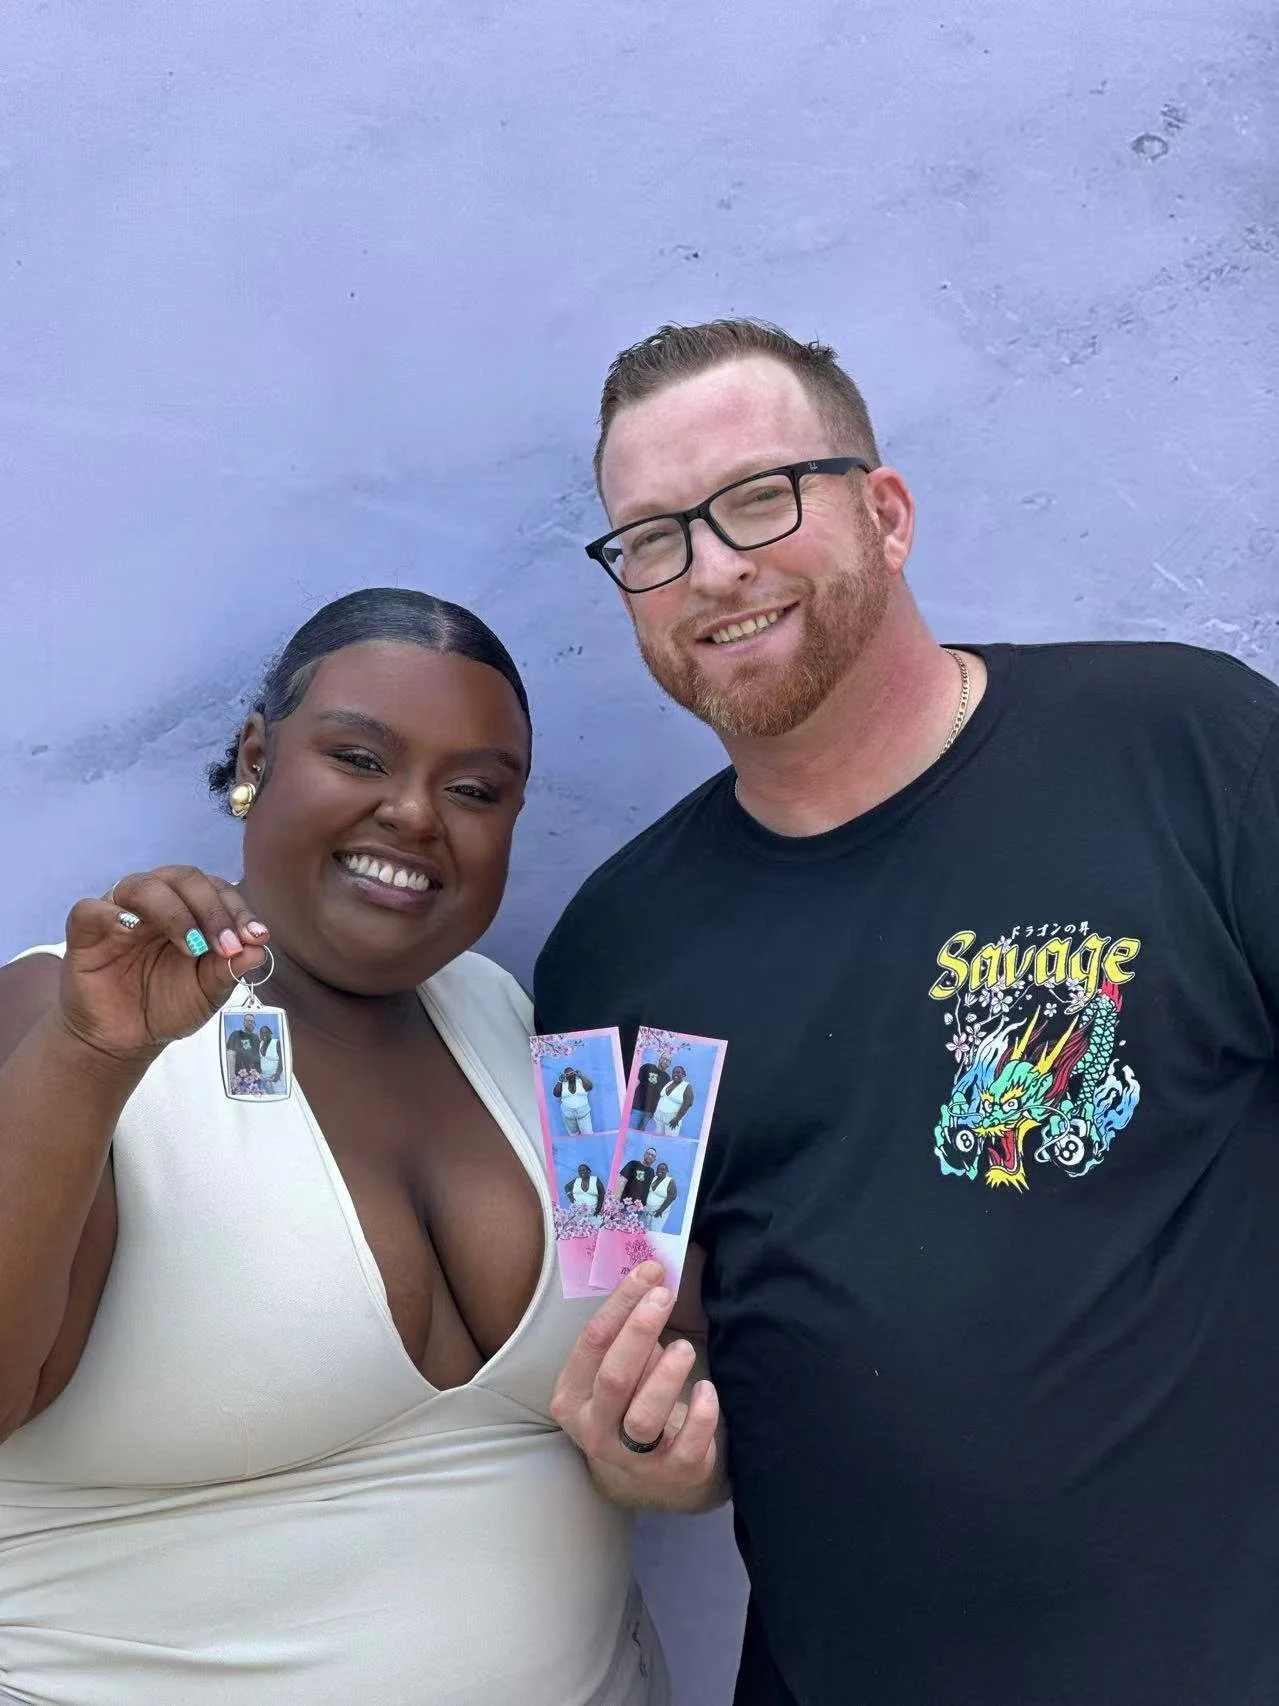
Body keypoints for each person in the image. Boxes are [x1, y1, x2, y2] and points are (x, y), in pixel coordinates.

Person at [535, 318, 1279, 1706]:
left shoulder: (1190, 750)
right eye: (650, 536)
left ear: (884, 513)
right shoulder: (604, 961)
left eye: (758, 497)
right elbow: (641, 1313)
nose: (712, 566)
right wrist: (652, 1445)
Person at [0, 588, 670, 1705]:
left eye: (473, 790)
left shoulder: (517, 1020)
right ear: (258, 756)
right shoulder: (68, 1006)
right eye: (360, 756)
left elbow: (648, 1371)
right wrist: (87, 1053)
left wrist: (666, 1456)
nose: (414, 814)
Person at [631, 1052, 670, 1130]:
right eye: (664, 1058)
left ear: (669, 1064)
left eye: (668, 1060)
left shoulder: (667, 1078)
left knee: (640, 1134)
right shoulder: (647, 1067)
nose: (665, 1061)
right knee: (630, 1132)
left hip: (650, 1112)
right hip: (637, 1107)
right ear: (660, 1059)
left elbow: (663, 1096)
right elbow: (635, 1083)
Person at [651, 1064, 692, 1135]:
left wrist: (677, 1119)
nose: (675, 1074)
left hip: (673, 1120)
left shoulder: (687, 1086)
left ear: (683, 1074)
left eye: (678, 1072)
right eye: (674, 1072)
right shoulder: (669, 1083)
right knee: (657, 1139)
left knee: (669, 1141)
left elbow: (688, 1104)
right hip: (659, 1118)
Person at [555, 1063, 595, 1133]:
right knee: (574, 1135)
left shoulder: (581, 1081)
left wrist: (580, 1075)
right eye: (567, 1074)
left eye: (571, 1073)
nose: (570, 1075)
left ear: (575, 1073)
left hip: (583, 1114)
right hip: (568, 1116)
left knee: (588, 1133)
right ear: (565, 1076)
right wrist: (560, 1081)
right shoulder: (563, 1084)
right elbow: (556, 1094)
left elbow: (590, 1087)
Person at [223, 1011, 261, 1083]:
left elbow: (258, 1056)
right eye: (248, 1021)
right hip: (239, 1074)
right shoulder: (236, 1034)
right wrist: (230, 1075)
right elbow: (230, 1055)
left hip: (254, 1074)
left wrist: (259, 1072)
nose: (250, 1023)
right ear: (244, 1022)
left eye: (252, 1021)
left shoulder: (256, 1038)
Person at [643, 1161, 678, 1230]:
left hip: (659, 1213)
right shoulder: (654, 1178)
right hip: (648, 1212)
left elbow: (672, 1197)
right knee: (645, 1230)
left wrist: (660, 1211)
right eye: (658, 1169)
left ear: (667, 1171)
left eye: (663, 1169)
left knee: (655, 1231)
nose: (660, 1171)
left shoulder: (670, 1181)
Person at [256, 1021, 284, 1088]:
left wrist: (277, 1075)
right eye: (261, 1033)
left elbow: (282, 1059)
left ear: (270, 1033)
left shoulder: (277, 1042)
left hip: (277, 1079)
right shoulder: (260, 1044)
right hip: (264, 1080)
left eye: (266, 1032)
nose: (264, 1034)